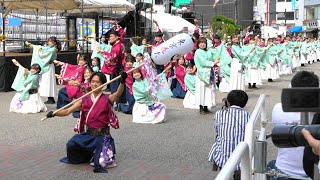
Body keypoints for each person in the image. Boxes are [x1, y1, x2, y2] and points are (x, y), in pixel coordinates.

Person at [46, 71, 127, 173]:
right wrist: (54, 113)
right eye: (92, 81)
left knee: (101, 163)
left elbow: (118, 94)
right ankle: (90, 155)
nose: (94, 84)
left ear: (103, 84)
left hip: (102, 137)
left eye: (97, 82)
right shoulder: (84, 100)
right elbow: (67, 111)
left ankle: (100, 154)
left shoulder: (107, 98)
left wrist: (122, 82)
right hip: (88, 135)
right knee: (71, 144)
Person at [267, 71, 317, 180]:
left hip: (284, 172)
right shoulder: (317, 115)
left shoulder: (278, 108)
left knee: (270, 165)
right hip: (312, 174)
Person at [208, 90, 250, 180]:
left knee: (218, 140)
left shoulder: (219, 114)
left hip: (222, 156)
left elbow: (217, 130)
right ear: (244, 103)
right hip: (240, 156)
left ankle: (222, 170)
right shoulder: (248, 116)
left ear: (228, 101)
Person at [25, 36, 60, 104]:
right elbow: (43, 48)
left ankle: (51, 98)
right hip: (47, 66)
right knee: (45, 82)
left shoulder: (52, 49)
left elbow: (43, 55)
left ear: (54, 42)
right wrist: (34, 46)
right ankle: (49, 98)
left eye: (51, 41)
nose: (49, 42)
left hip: (48, 66)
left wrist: (40, 51)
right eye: (49, 41)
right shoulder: (50, 48)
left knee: (48, 83)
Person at [194, 37, 219, 114]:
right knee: (201, 90)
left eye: (204, 42)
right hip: (202, 73)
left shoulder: (208, 51)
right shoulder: (198, 52)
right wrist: (213, 63)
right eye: (201, 42)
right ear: (198, 44)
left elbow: (214, 56)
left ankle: (206, 107)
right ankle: (201, 107)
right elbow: (203, 62)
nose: (203, 44)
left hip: (208, 72)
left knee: (208, 90)